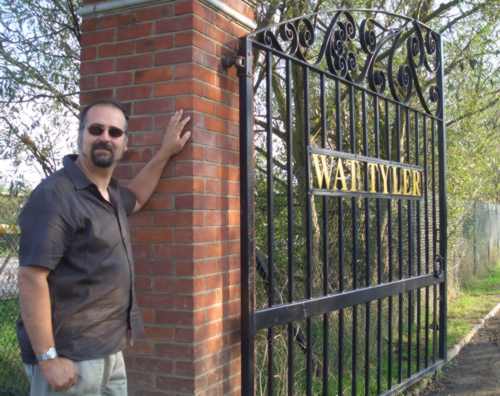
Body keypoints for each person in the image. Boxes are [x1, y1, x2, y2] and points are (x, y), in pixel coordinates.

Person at [17, 99, 191, 395]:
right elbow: (31, 277)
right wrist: (48, 358)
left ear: (125, 144)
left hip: (109, 352)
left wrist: (165, 152)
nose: (105, 138)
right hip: (70, 358)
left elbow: (137, 196)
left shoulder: (109, 196)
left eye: (115, 132)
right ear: (80, 136)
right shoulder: (55, 196)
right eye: (96, 129)